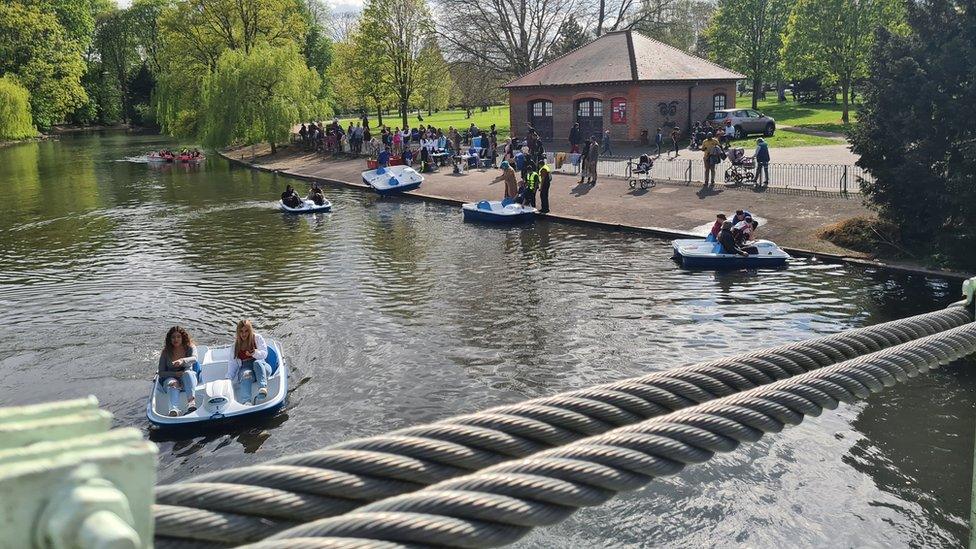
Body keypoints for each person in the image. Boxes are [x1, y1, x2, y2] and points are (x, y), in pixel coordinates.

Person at [226, 320, 271, 405]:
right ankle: (246, 401)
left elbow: (264, 354)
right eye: (241, 331)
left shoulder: (257, 338)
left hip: (262, 367)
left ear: (250, 331)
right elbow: (232, 364)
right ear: (238, 332)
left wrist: (254, 353)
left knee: (256, 363)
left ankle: (263, 388)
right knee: (246, 374)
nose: (244, 334)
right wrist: (228, 378)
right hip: (246, 368)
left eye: (246, 331)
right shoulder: (235, 346)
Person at [157, 326, 199, 416]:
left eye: (178, 337)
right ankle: (174, 410)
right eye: (173, 337)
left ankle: (191, 404)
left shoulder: (190, 347)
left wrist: (182, 361)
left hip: (188, 378)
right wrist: (175, 374)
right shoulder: (165, 352)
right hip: (170, 378)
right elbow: (161, 372)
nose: (176, 339)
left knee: (187, 373)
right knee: (173, 382)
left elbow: (195, 358)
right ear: (169, 339)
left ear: (183, 337)